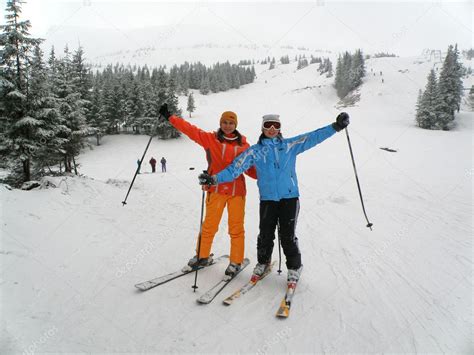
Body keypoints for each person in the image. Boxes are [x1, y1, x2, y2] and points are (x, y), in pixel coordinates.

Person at [198, 112, 350, 282]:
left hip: (290, 198)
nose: (272, 129)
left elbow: (312, 137)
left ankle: (294, 266)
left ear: (280, 128)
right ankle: (263, 263)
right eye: (268, 125)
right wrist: (214, 179)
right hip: (268, 199)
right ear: (263, 127)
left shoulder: (289, 145)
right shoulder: (254, 151)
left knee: (287, 235)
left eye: (276, 125)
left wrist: (335, 127)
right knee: (265, 234)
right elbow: (235, 168)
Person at [158, 104, 257, 277]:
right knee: (209, 225)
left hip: (237, 192)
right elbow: (190, 130)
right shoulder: (210, 140)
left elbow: (251, 170)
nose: (227, 125)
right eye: (224, 122)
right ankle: (202, 256)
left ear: (236, 125)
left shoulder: (244, 146)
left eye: (231, 123)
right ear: (220, 123)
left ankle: (235, 261)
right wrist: (170, 117)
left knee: (236, 228)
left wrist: (270, 174)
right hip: (216, 189)